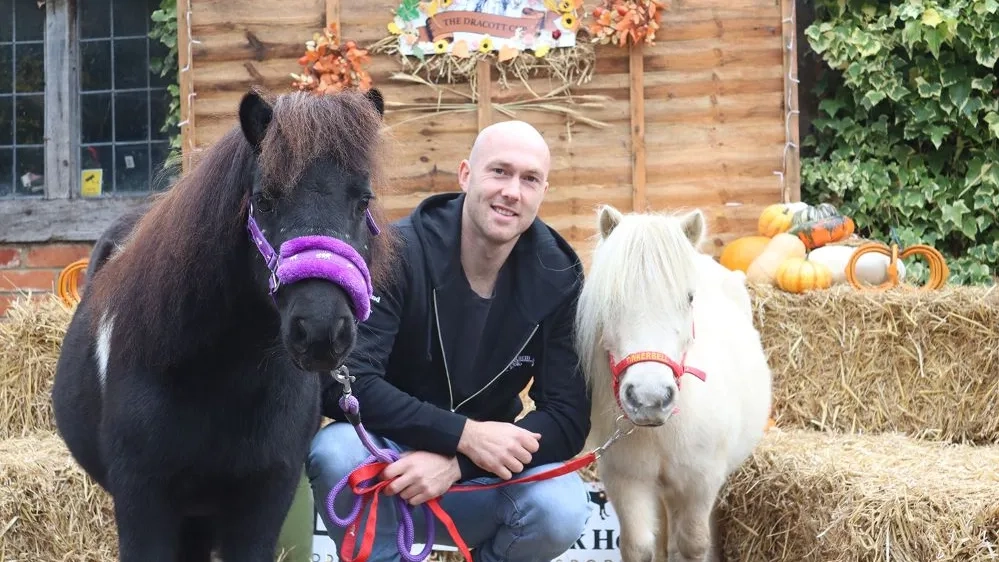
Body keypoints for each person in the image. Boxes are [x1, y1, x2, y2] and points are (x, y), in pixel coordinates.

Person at [307, 120, 593, 562]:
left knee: (561, 505)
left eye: (529, 179)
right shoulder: (397, 251)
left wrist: (462, 461)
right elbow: (345, 384)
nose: (512, 191)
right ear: (465, 175)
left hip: (481, 479)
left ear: (543, 191)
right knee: (335, 452)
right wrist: (461, 435)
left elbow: (567, 418)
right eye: (499, 171)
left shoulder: (559, 276)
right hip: (392, 464)